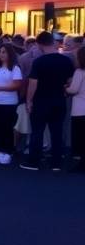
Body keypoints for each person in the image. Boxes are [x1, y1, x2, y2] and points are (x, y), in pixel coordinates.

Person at [21, 31, 73, 171]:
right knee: (57, 131)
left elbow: (33, 83)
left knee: (37, 131)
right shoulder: (66, 61)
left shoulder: (38, 62)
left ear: (39, 44)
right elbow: (69, 81)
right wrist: (63, 88)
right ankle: (56, 162)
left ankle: (34, 161)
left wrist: (29, 101)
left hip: (41, 101)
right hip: (59, 100)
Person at [0, 43, 22, 165]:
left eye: (4, 52)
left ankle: (8, 151)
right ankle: (1, 150)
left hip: (9, 103)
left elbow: (17, 85)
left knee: (7, 128)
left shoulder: (15, 68)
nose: (1, 54)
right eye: (0, 52)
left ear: (10, 54)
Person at [65, 46, 85, 172]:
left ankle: (81, 165)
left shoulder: (79, 72)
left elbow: (73, 89)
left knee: (81, 138)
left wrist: (65, 87)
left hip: (80, 109)